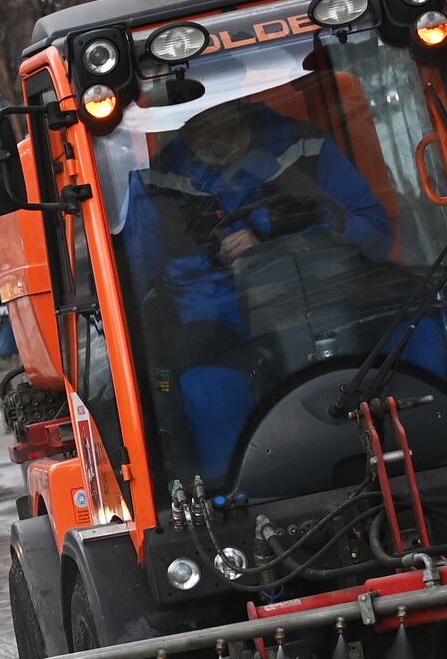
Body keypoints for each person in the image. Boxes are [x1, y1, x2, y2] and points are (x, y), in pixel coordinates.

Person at [120, 99, 395, 475]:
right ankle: (233, 508)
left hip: (324, 303)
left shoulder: (304, 148)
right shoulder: (155, 182)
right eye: (188, 121)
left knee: (421, 331)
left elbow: (374, 233)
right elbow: (137, 283)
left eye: (212, 114)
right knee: (206, 389)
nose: (202, 130)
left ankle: (426, 462)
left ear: (236, 107)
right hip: (222, 332)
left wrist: (279, 237)